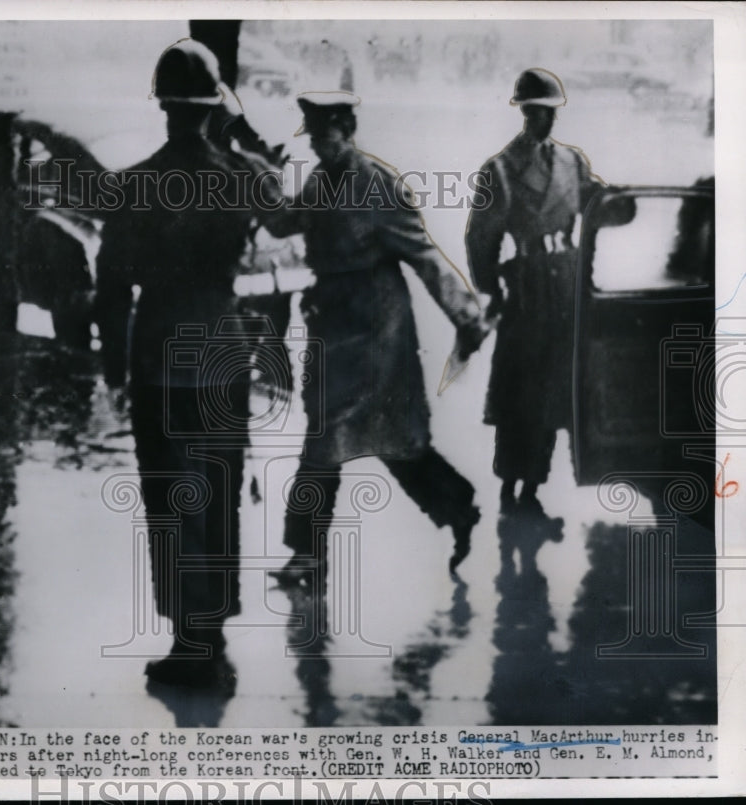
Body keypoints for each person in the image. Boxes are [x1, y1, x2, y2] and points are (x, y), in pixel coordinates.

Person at [95, 40, 273, 689]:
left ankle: (186, 641)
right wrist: (240, 132)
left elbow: (110, 285)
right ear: (211, 107)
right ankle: (213, 627)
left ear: (163, 107)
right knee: (220, 489)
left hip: (160, 356)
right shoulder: (242, 175)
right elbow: (283, 208)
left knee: (171, 496)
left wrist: (114, 370)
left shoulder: (135, 183)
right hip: (224, 352)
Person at [264, 89, 487, 584]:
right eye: (316, 137)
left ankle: (310, 552)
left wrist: (466, 316)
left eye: (329, 135)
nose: (321, 145)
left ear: (348, 132)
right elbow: (283, 223)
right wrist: (263, 173)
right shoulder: (322, 180)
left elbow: (423, 255)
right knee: (350, 436)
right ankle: (455, 506)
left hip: (376, 327)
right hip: (334, 321)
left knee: (359, 436)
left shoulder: (376, 182)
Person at [465, 68, 634, 515]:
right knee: (519, 393)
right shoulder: (499, 169)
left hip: (565, 286)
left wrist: (621, 202)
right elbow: (480, 238)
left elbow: (594, 202)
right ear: (524, 111)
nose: (546, 119)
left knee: (556, 389)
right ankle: (509, 484)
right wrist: (492, 290)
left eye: (551, 111)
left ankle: (533, 488)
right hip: (526, 288)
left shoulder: (571, 161)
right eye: (538, 111)